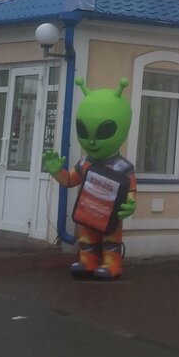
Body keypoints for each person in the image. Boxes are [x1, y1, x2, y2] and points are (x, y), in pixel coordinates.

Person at [42, 77, 137, 280]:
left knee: (111, 239)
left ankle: (112, 264)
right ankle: (87, 261)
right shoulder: (85, 162)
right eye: (84, 132)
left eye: (104, 131)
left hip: (110, 215)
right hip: (89, 213)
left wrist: (130, 205)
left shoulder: (123, 167)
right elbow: (70, 180)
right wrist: (56, 171)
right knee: (87, 237)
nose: (91, 141)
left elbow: (130, 190)